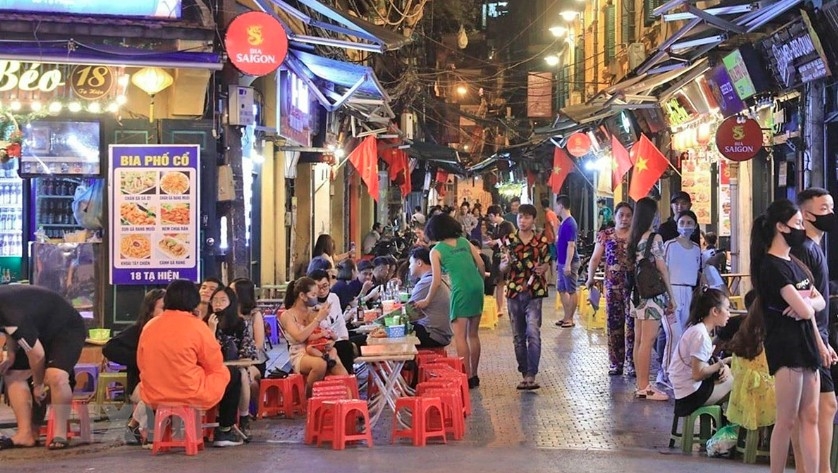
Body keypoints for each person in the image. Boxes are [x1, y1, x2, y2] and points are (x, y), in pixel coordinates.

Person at [750, 199, 830, 473]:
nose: (800, 230)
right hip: (786, 346)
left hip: (807, 343)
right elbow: (805, 307)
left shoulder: (794, 262)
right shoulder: (771, 266)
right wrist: (807, 306)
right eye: (797, 224)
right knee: (786, 420)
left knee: (811, 414)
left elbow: (817, 302)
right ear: (780, 227)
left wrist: (807, 306)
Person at [137, 279, 244, 447]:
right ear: (193, 300)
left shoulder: (150, 326)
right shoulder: (197, 326)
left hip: (154, 393)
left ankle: (154, 433)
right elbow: (214, 363)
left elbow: (141, 362)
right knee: (232, 374)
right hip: (188, 392)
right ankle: (224, 431)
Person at [0, 286, 86, 450]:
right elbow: (8, 328)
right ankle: (25, 434)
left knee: (56, 376)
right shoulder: (6, 310)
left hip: (65, 329)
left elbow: (37, 355)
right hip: (37, 331)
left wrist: (38, 384)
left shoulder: (10, 312)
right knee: (12, 374)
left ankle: (60, 434)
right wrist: (10, 353)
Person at [792, 187, 838, 473]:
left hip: (817, 338)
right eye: (823, 210)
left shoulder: (814, 247)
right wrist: (820, 342)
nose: (830, 215)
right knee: (809, 412)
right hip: (806, 340)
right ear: (805, 215)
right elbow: (803, 303)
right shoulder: (801, 249)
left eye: (831, 208)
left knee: (823, 408)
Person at [416, 214, 485, 388]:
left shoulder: (436, 250)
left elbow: (436, 280)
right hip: (477, 286)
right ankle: (475, 374)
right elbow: (481, 263)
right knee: (473, 334)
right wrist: (480, 281)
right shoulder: (464, 241)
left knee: (460, 336)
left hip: (460, 289)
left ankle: (467, 377)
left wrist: (426, 300)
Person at [102, 288, 165, 445]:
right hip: (140, 383)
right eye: (163, 308)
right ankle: (144, 432)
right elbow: (109, 348)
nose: (167, 312)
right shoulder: (138, 331)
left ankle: (133, 427)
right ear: (150, 310)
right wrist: (140, 359)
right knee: (154, 392)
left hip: (165, 383)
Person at [499, 204, 552, 390]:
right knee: (518, 336)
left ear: (533, 220)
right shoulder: (508, 241)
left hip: (534, 291)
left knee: (533, 332)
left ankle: (531, 375)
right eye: (520, 217)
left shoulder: (541, 242)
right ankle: (523, 372)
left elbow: (547, 264)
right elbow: (502, 268)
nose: (523, 221)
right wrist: (505, 264)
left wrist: (544, 268)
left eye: (527, 217)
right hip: (513, 291)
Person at [628, 197, 675, 401]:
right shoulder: (654, 238)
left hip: (637, 294)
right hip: (652, 295)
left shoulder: (634, 238)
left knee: (639, 340)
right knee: (648, 340)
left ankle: (641, 384)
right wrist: (671, 296)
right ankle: (646, 386)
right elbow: (662, 268)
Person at [585, 202, 635, 376]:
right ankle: (616, 362)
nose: (624, 218)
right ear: (615, 217)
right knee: (614, 324)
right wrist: (590, 278)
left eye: (628, 215)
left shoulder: (637, 236)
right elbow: (595, 259)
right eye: (621, 215)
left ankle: (632, 362)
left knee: (633, 324)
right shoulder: (606, 235)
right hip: (612, 286)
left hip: (633, 286)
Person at [668, 287, 734, 417]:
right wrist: (723, 363)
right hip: (689, 396)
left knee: (729, 376)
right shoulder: (701, 335)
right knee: (739, 382)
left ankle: (719, 430)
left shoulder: (697, 330)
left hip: (686, 390)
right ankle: (725, 433)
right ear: (715, 311)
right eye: (727, 309)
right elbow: (698, 374)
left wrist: (722, 366)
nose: (729, 314)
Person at [279, 277, 348, 395]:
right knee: (320, 364)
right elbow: (299, 337)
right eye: (313, 294)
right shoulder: (288, 315)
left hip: (319, 348)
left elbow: (326, 332)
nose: (317, 297)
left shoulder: (315, 311)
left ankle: (348, 401)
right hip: (300, 353)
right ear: (302, 296)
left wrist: (329, 341)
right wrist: (318, 319)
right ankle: (309, 397)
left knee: (338, 365)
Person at [661, 210, 702, 388]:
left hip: (688, 293)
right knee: (673, 334)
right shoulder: (669, 245)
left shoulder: (696, 249)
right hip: (671, 293)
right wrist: (668, 296)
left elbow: (698, 271)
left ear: (695, 226)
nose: (686, 226)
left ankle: (675, 371)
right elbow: (662, 271)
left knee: (684, 336)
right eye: (682, 222)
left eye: (689, 222)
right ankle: (666, 373)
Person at [229, 278, 266, 439]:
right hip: (231, 359)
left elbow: (259, 343)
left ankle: (249, 413)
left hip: (254, 359)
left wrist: (244, 354)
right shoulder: (227, 313)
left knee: (247, 378)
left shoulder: (254, 315)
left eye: (232, 290)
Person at [308, 269, 354, 374]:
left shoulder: (333, 298)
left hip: (334, 338)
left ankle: (350, 377)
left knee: (351, 342)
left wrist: (342, 337)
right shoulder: (309, 305)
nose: (322, 291)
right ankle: (345, 379)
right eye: (318, 287)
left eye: (325, 286)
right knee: (345, 347)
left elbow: (340, 322)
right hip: (318, 342)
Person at [407, 247, 453, 348]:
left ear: (419, 263)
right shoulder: (434, 279)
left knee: (395, 332)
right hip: (441, 333)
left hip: (433, 334)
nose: (410, 267)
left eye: (411, 263)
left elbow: (409, 312)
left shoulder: (426, 282)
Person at [485, 205, 516, 317]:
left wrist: (496, 242)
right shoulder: (496, 227)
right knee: (499, 283)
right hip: (497, 257)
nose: (490, 218)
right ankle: (499, 307)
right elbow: (497, 244)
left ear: (497, 215)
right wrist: (491, 243)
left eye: (491, 216)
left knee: (503, 283)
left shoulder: (508, 226)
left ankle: (503, 307)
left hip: (505, 257)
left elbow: (511, 241)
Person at [555, 194, 580, 328]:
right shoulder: (563, 223)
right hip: (561, 261)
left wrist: (568, 264)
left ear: (561, 206)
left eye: (556, 206)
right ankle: (566, 316)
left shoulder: (570, 223)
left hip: (569, 262)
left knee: (571, 290)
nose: (555, 209)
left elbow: (571, 245)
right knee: (561, 289)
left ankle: (570, 318)